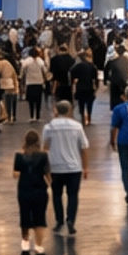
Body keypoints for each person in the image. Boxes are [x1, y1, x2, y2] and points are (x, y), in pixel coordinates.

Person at [42, 100, 89, 233]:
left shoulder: (49, 127)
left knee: (56, 195)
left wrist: (44, 169)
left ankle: (59, 220)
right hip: (74, 167)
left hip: (55, 167)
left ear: (56, 110)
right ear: (69, 111)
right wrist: (85, 167)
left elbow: (44, 148)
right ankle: (71, 220)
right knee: (73, 195)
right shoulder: (77, 127)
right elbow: (84, 147)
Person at [11, 127, 51, 255]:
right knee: (40, 219)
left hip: (24, 189)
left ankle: (25, 246)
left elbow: (15, 174)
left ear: (25, 141)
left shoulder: (19, 156)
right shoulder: (43, 155)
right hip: (39, 189)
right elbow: (47, 174)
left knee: (25, 216)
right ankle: (39, 248)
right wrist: (51, 185)